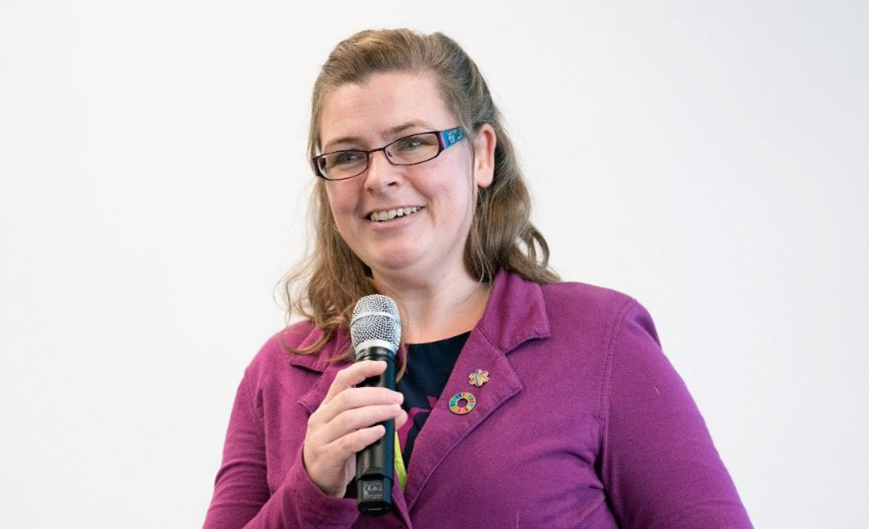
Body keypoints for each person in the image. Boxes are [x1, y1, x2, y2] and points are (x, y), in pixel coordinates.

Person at [203, 29, 752, 528]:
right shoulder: (278, 372)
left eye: (413, 143)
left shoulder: (600, 340)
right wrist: (313, 488)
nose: (379, 178)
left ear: (482, 154)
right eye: (347, 156)